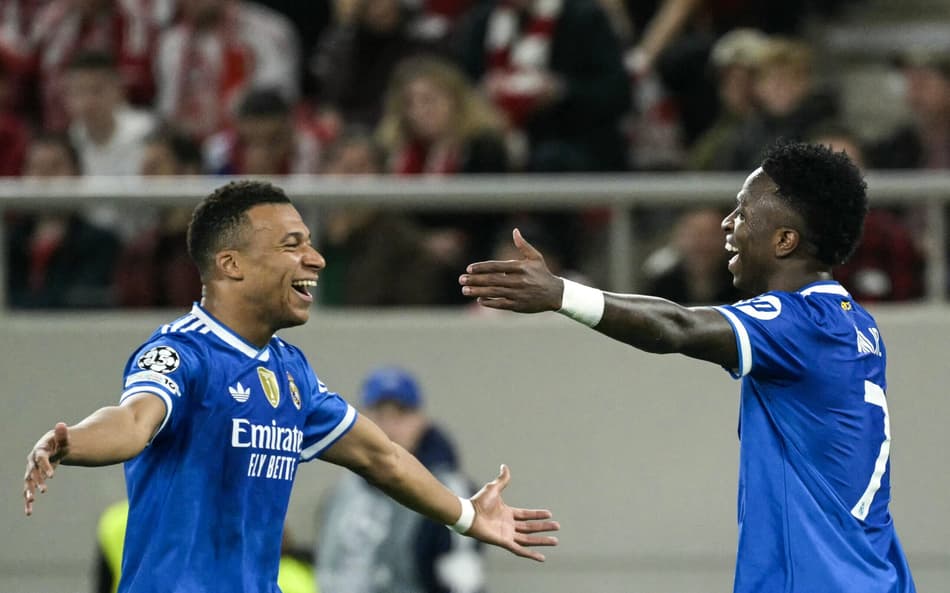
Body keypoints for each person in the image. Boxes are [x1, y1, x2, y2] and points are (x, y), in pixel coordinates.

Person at [22, 180, 559, 593]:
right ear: (231, 264)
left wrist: (467, 515)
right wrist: (71, 442)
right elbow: (133, 421)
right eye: (291, 244)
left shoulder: (291, 372)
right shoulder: (182, 353)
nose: (316, 258)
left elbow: (384, 459)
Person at [459, 142, 916, 593]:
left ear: (784, 240)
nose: (728, 222)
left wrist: (562, 294)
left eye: (743, 209)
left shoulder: (800, 324)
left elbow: (678, 326)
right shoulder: (855, 324)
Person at [317, 366, 485, 593]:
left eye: (401, 414)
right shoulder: (342, 492)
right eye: (379, 414)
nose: (389, 426)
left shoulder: (451, 490)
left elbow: (463, 579)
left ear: (421, 420)